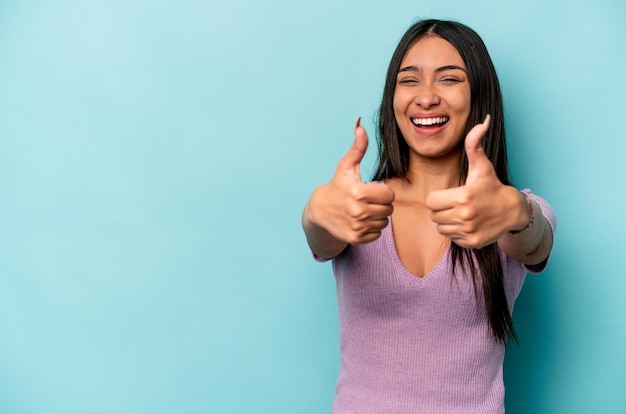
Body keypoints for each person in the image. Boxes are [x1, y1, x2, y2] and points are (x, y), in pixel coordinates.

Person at [301, 19, 556, 414]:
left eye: (449, 79)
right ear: (393, 98)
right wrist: (317, 212)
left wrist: (513, 211)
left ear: (479, 97)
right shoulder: (359, 208)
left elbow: (534, 240)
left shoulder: (507, 212)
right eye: (410, 80)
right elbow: (321, 233)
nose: (426, 98)